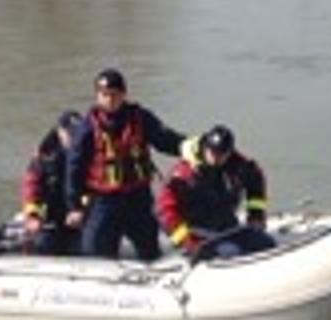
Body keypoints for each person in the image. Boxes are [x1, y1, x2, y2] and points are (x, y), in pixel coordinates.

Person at [65, 67, 186, 262]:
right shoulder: (87, 128)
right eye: (104, 95)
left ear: (124, 95)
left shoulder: (141, 118)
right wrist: (74, 206)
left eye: (115, 95)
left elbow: (165, 140)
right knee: (95, 251)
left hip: (137, 197)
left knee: (149, 247)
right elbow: (74, 169)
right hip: (104, 200)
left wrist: (190, 147)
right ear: (97, 96)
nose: (110, 100)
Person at [158, 123, 273, 261]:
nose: (216, 157)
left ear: (229, 152)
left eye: (222, 154)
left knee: (265, 243)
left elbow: (255, 180)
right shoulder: (184, 174)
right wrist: (187, 242)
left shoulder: (238, 166)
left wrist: (256, 215)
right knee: (219, 255)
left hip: (229, 228)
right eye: (212, 152)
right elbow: (165, 211)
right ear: (205, 147)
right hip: (197, 235)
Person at [19, 110, 83, 255]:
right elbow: (31, 188)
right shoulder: (44, 156)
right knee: (42, 245)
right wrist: (33, 217)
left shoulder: (89, 153)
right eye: (70, 133)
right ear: (60, 131)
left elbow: (97, 187)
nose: (74, 138)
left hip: (80, 217)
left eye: (77, 133)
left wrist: (82, 212)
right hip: (51, 217)